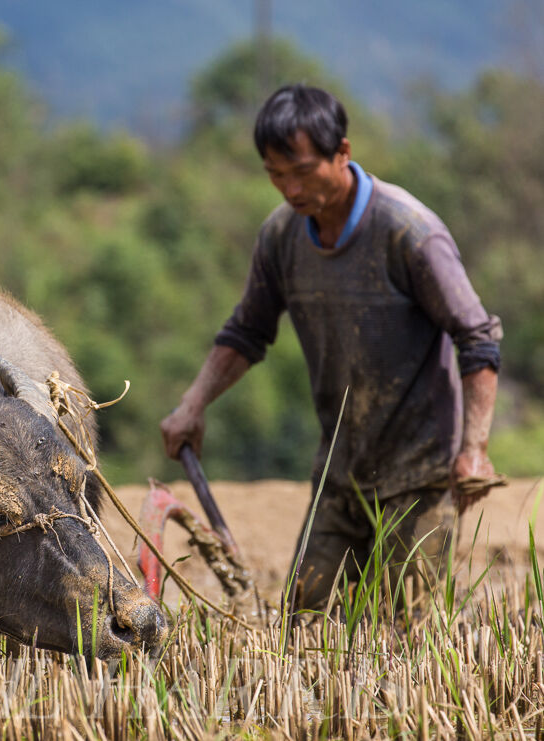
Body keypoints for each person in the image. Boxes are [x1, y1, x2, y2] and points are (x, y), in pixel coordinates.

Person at [160, 84, 502, 611]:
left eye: (301, 171)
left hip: (418, 476)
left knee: (408, 640)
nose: (290, 189)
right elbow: (246, 333)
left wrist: (474, 450)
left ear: (341, 152)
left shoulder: (409, 233)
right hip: (339, 475)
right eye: (276, 175)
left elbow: (477, 339)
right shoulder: (281, 237)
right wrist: (193, 404)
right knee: (305, 623)